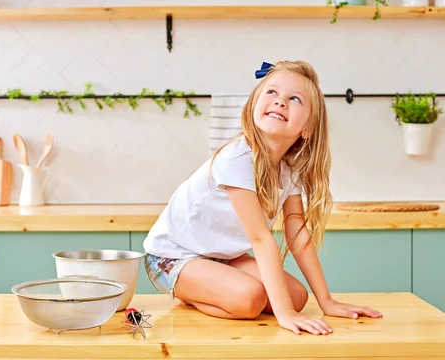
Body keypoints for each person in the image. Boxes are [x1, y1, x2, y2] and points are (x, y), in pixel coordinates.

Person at [142, 60, 383, 336]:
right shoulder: (238, 158)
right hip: (172, 257)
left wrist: (326, 301)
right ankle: (194, 293)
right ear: (254, 103)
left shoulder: (289, 167)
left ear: (307, 128)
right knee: (251, 299)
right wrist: (284, 315)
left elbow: (297, 234)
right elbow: (259, 238)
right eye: (272, 92)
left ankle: (214, 286)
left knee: (297, 297)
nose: (280, 102)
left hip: (220, 257)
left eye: (294, 99)